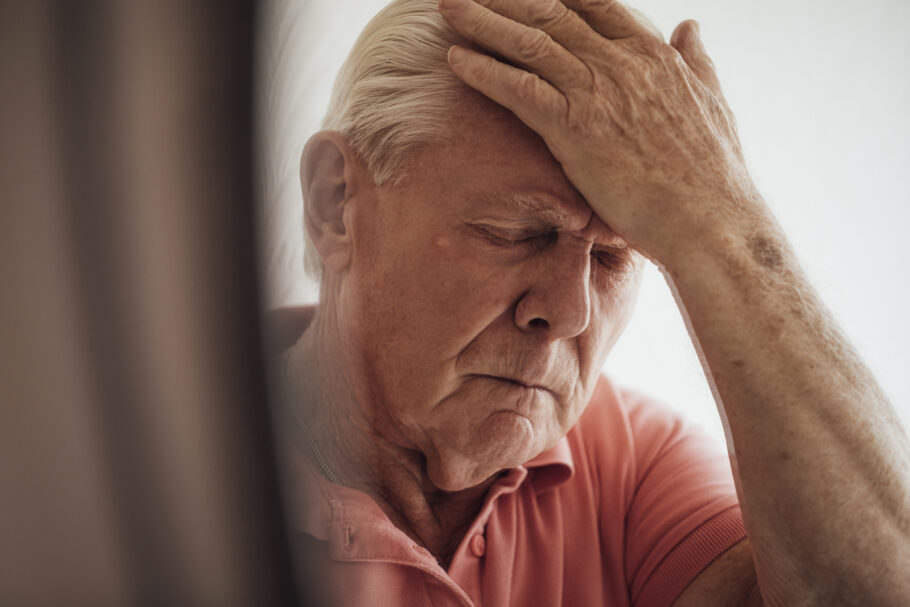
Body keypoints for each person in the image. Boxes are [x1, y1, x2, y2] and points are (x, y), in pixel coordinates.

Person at [273, 0, 910, 604]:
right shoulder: (189, 461)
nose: (570, 314)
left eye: (613, 256)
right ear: (335, 205)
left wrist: (719, 217)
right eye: (518, 233)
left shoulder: (633, 461)